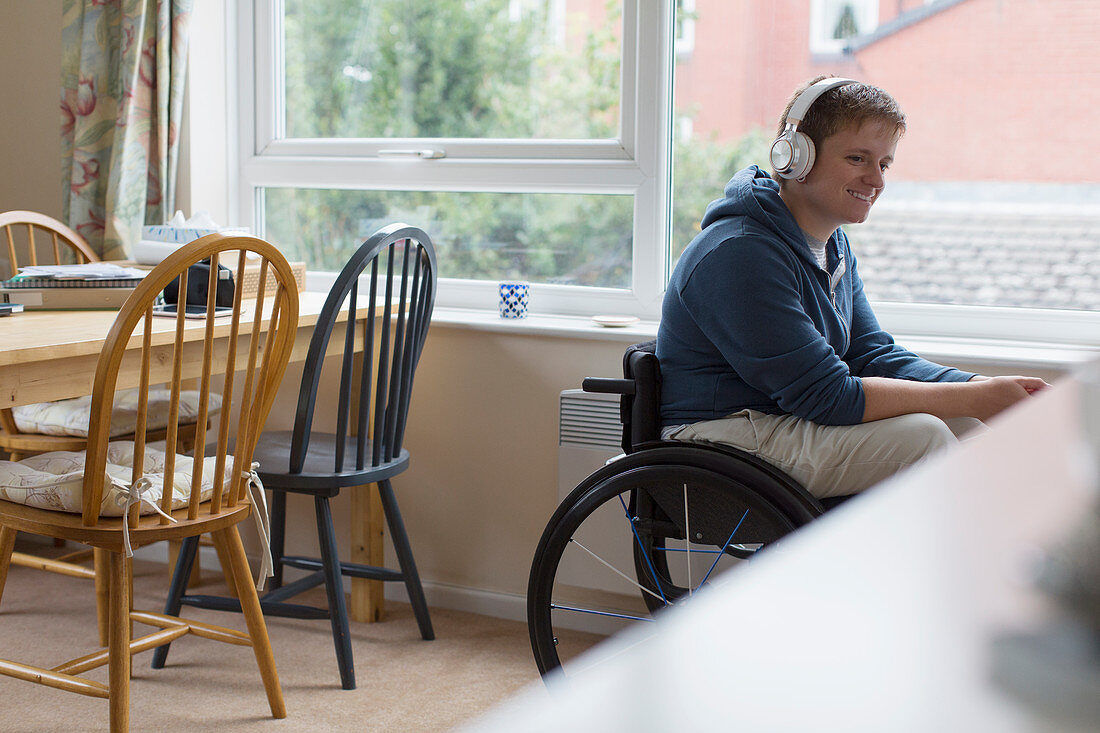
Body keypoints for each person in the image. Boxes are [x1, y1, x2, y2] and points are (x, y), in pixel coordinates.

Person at [656, 76, 1048, 499]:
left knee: (968, 424)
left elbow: (871, 355)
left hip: (782, 420)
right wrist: (975, 398)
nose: (876, 180)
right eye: (858, 159)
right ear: (796, 157)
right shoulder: (739, 253)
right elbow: (829, 397)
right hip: (719, 434)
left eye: (884, 164)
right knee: (923, 438)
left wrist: (976, 387)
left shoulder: (832, 245)